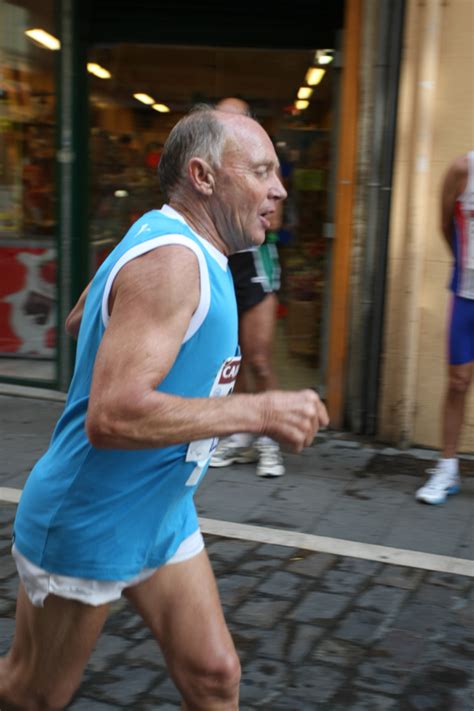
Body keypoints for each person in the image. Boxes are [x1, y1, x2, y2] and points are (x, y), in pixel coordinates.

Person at [0, 105, 329, 710]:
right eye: (260, 171)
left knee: (214, 675)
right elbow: (113, 416)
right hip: (91, 518)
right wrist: (258, 411)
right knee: (33, 692)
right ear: (203, 176)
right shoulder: (174, 262)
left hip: (162, 509)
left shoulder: (172, 237)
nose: (279, 188)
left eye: (277, 172)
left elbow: (81, 316)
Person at [210, 96, 287, 478]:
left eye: (233, 119)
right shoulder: (209, 162)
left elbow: (275, 215)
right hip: (223, 258)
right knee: (231, 358)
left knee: (257, 358)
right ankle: (240, 434)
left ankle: (269, 440)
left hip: (254, 260)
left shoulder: (263, 160)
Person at [416, 150, 474, 505]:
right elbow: (443, 224)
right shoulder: (462, 168)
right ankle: (448, 466)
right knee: (457, 383)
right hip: (467, 294)